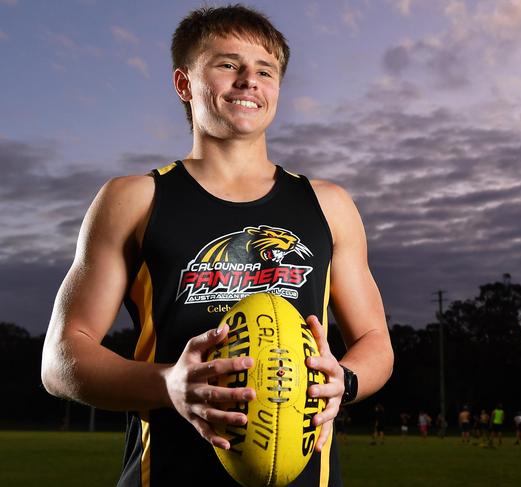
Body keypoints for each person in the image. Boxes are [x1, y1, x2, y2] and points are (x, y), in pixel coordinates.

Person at [40, 5, 393, 486]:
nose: (249, 80)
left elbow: (375, 343)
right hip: (163, 473)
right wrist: (167, 383)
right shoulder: (134, 199)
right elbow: (60, 361)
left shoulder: (328, 205)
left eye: (265, 70)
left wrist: (344, 381)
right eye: (228, 64)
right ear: (184, 84)